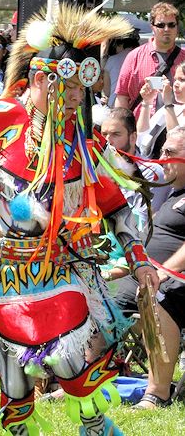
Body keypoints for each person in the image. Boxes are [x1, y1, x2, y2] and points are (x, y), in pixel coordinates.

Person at [0, 1, 158, 435]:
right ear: (43, 79)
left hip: (61, 271)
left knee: (68, 362)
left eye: (86, 90)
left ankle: (95, 423)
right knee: (15, 382)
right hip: (1, 276)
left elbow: (115, 206)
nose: (79, 99)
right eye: (72, 88)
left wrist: (138, 260)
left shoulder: (80, 145)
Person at [109, 125, 185, 409]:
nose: (161, 157)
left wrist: (164, 270)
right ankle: (82, 382)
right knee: (97, 295)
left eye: (170, 152)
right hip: (145, 274)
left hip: (172, 280)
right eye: (162, 150)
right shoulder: (172, 195)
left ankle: (157, 393)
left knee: (155, 294)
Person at [114, 2, 184, 116]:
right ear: (152, 27)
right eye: (161, 25)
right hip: (142, 129)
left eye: (171, 25)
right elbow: (122, 96)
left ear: (177, 27)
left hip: (178, 130)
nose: (167, 29)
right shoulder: (134, 57)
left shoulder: (183, 58)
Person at [136, 60, 185, 158]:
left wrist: (168, 103)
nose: (175, 84)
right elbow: (142, 139)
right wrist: (147, 102)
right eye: (175, 79)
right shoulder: (170, 110)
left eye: (182, 80)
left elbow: (175, 145)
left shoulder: (169, 108)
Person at [102, 32, 140, 107]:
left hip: (115, 106)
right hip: (137, 107)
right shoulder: (141, 58)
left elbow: (106, 91)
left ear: (120, 44)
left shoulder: (112, 60)